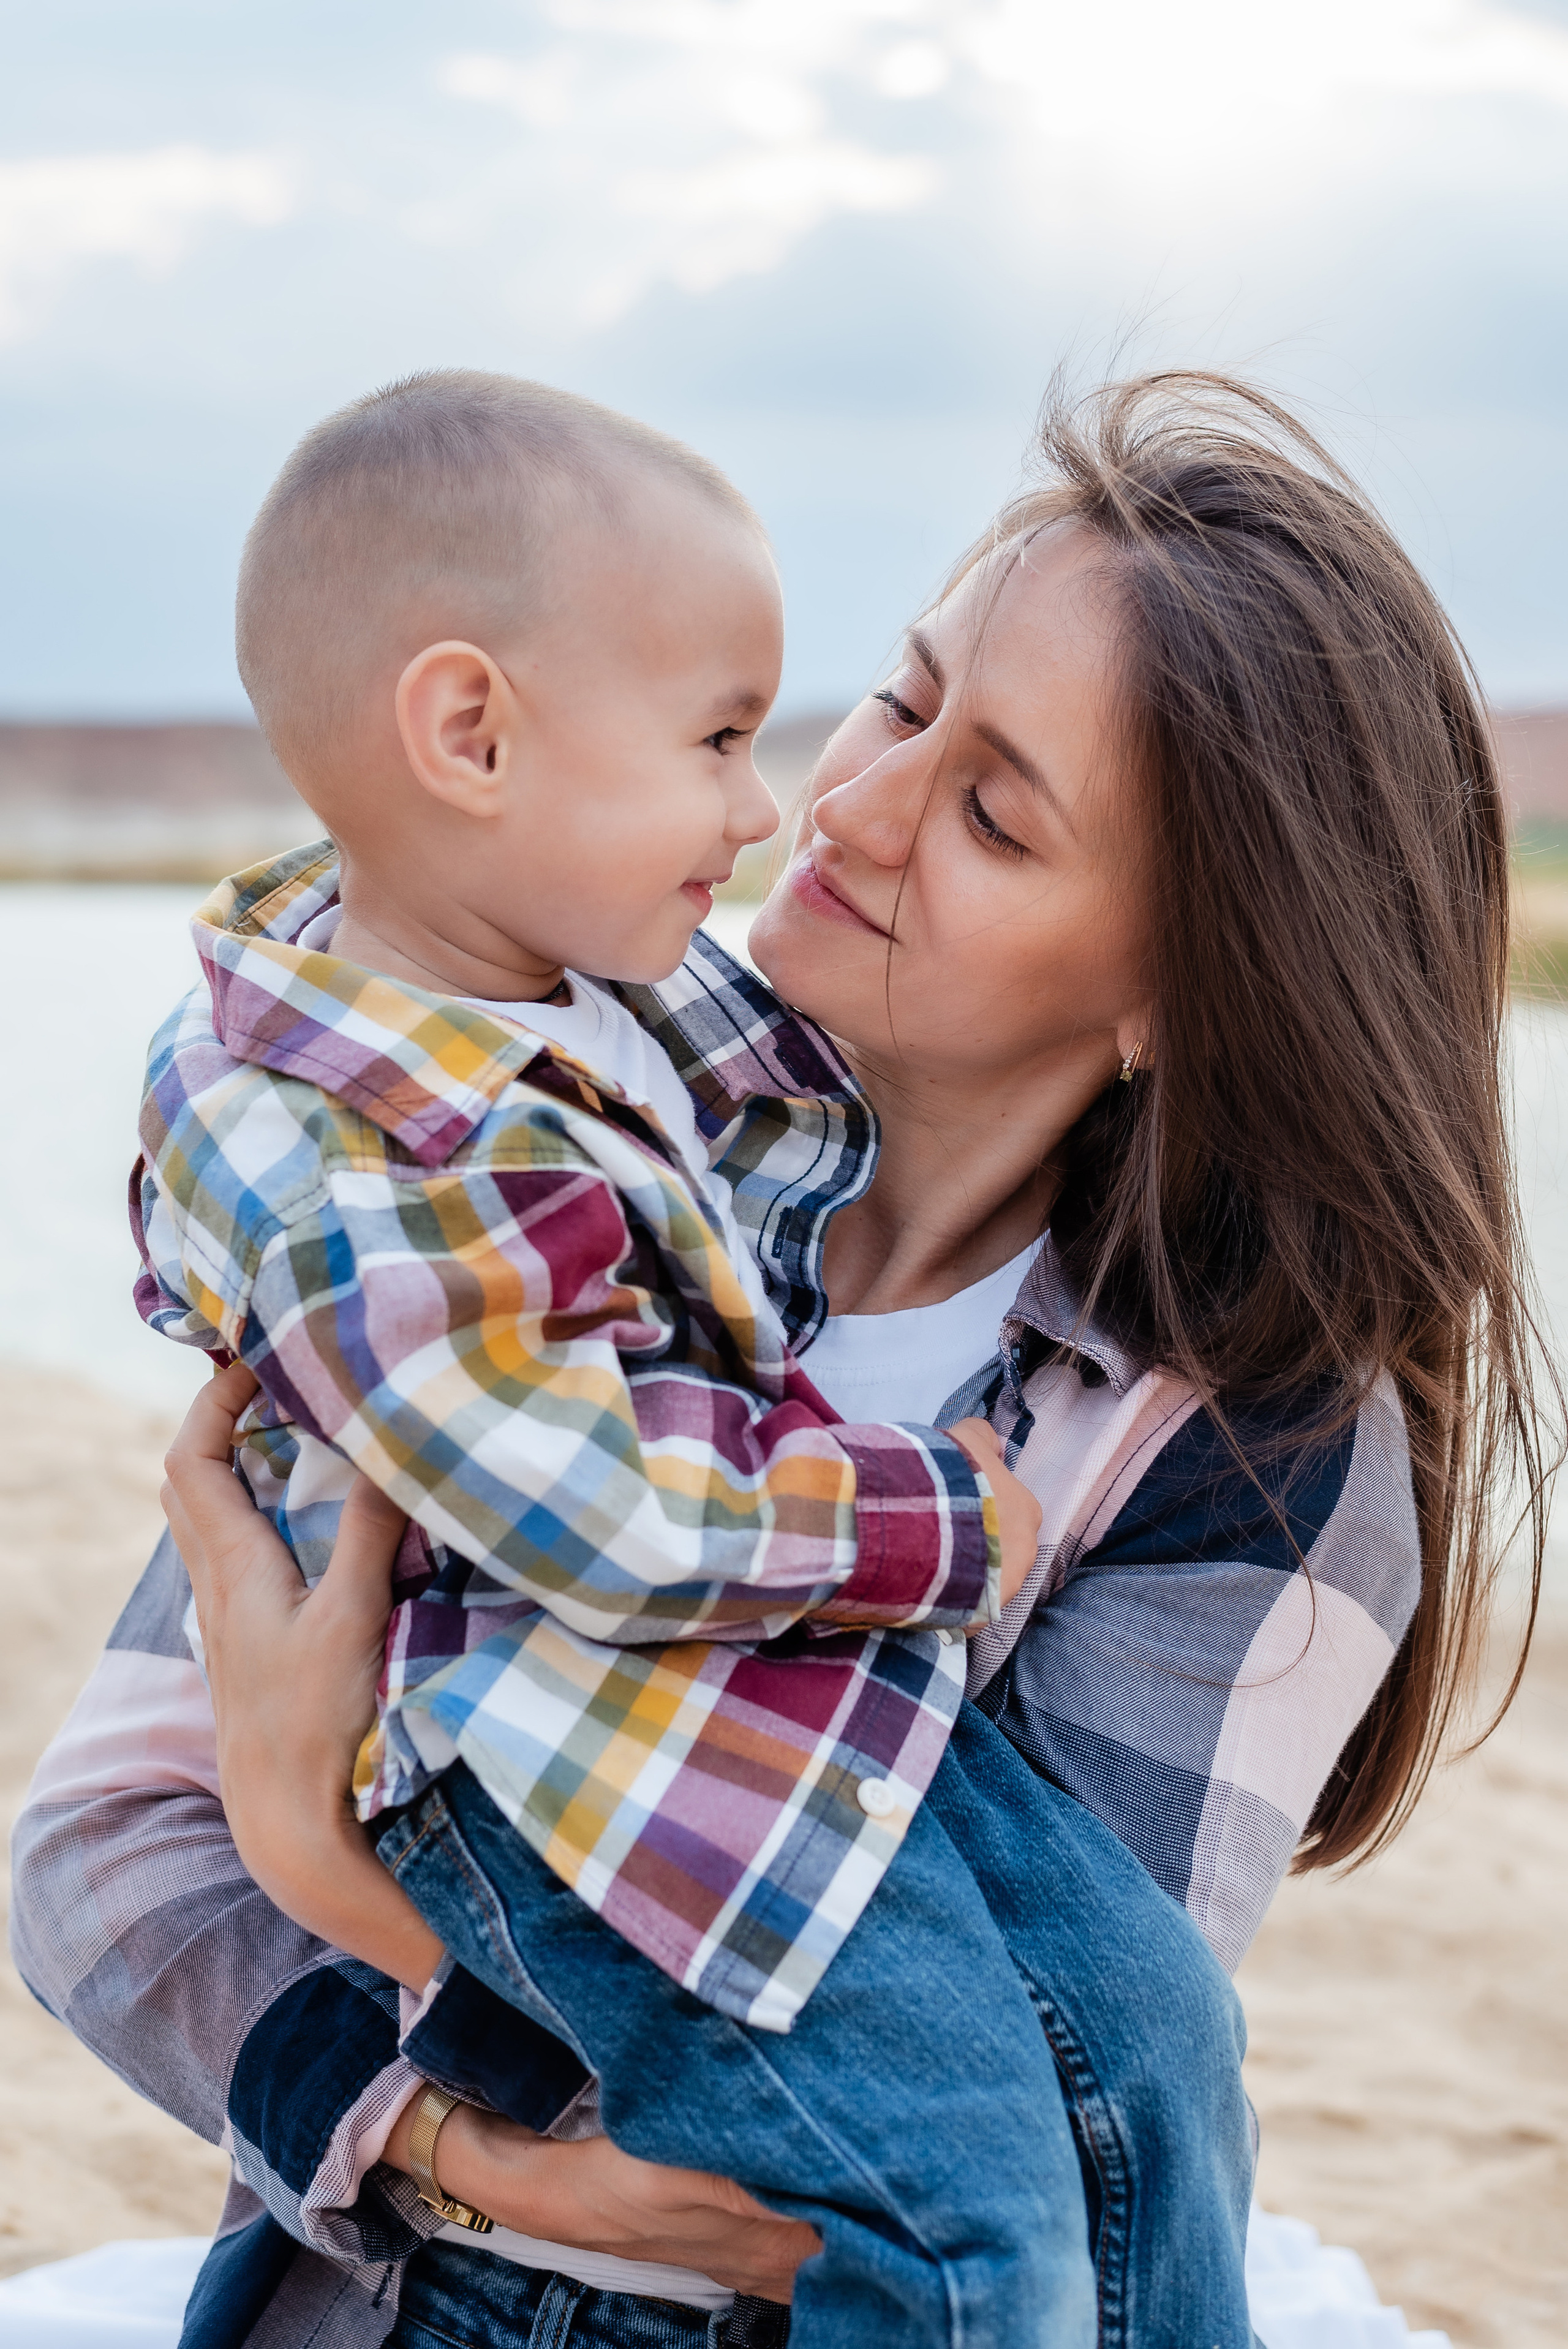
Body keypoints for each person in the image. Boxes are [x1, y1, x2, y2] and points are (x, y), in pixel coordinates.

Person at [12, 370, 1551, 2349]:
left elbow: (997, 2119)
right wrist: (451, 2152)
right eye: (902, 699)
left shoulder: (1249, 1452)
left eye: (994, 812)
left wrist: (309, 1835)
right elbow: (99, 1850)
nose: (847, 807)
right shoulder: (557, 1122)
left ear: (1182, 989)